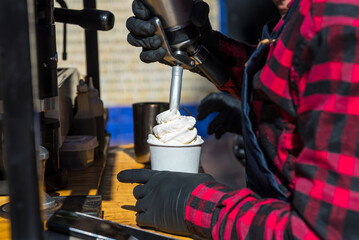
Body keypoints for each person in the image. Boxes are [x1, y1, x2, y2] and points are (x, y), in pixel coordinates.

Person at [118, 0, 359, 239]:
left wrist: (192, 204)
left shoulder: (335, 23)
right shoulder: (305, 13)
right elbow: (295, 77)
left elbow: (322, 231)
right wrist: (202, 47)